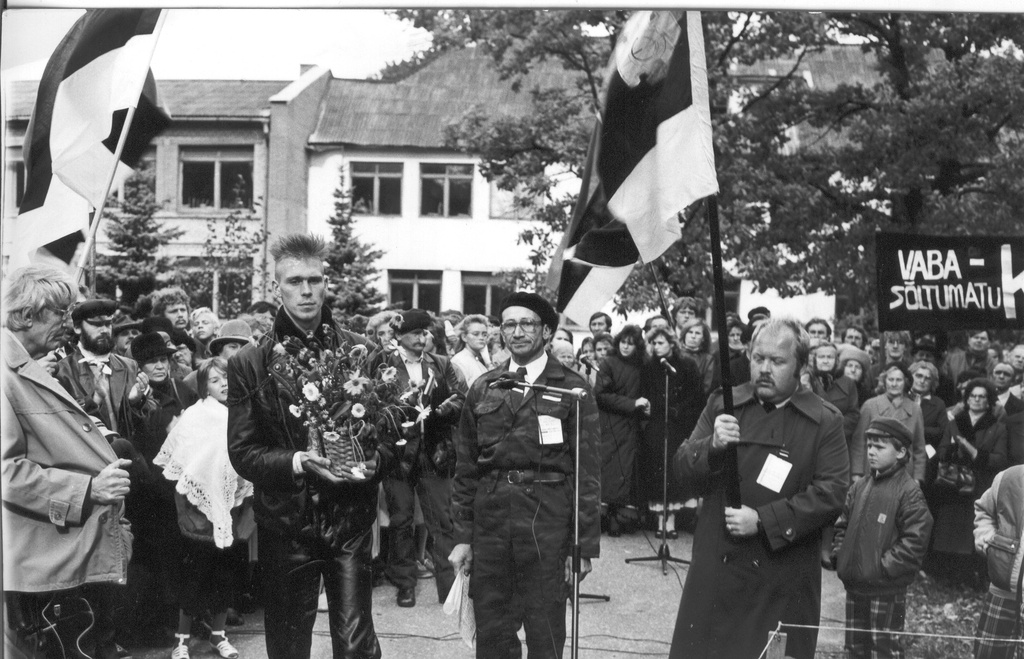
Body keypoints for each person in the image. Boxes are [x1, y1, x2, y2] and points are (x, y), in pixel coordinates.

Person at [227, 234, 392, 658]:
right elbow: (243, 452)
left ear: (325, 282)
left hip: (350, 517)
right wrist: (300, 461)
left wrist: (377, 460)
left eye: (314, 280)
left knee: (357, 646)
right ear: (276, 287)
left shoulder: (362, 351)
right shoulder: (249, 362)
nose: (306, 290)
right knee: (287, 646)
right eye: (295, 281)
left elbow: (392, 435)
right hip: (286, 523)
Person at [669, 318, 849, 659]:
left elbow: (832, 493)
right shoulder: (723, 405)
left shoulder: (824, 420)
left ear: (801, 366)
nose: (765, 369)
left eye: (778, 361)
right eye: (758, 358)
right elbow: (681, 471)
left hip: (780, 580)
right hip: (717, 572)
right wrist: (711, 446)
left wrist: (765, 520)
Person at [449, 292, 600, 659]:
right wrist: (463, 537)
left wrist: (581, 546)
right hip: (492, 524)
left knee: (545, 631)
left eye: (527, 323)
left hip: (547, 524)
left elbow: (588, 473)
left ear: (547, 331)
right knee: (494, 634)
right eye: (509, 324)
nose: (516, 332)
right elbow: (466, 467)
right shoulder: (485, 386)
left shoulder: (572, 388)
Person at [2, 266, 134, 659]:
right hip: (37, 564)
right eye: (60, 312)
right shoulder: (8, 373)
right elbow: (6, 471)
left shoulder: (25, 366)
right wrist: (90, 489)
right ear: (26, 316)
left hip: (53, 558)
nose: (69, 324)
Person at [155, 358, 253, 659]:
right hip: (196, 511)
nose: (223, 384)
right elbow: (180, 463)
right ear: (203, 386)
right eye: (214, 380)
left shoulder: (239, 413)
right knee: (194, 577)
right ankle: (181, 641)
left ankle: (218, 636)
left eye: (226, 378)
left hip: (231, 506)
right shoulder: (195, 416)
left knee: (224, 576)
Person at [379, 309, 466, 608]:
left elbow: (460, 397)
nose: (423, 337)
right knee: (401, 520)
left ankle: (449, 588)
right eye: (416, 332)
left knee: (441, 521)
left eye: (425, 332)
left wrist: (441, 410)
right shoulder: (384, 364)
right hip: (399, 454)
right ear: (400, 335)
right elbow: (374, 404)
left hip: (434, 452)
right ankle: (404, 584)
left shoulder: (441, 364)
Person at [829, 418, 933, 659]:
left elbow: (915, 539)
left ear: (901, 452)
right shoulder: (860, 486)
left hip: (886, 589)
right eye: (869, 446)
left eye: (880, 447)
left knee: (884, 650)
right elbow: (842, 524)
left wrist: (884, 568)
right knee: (855, 648)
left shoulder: (909, 492)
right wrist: (840, 554)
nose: (871, 452)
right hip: (856, 585)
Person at [930, 378, 1008, 588]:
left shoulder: (997, 427)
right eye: (973, 395)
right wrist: (954, 450)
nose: (977, 400)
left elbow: (999, 459)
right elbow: (942, 450)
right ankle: (945, 574)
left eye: (982, 396)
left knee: (969, 530)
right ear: (966, 398)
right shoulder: (955, 422)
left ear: (989, 401)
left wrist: (972, 451)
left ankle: (967, 575)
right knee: (948, 527)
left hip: (979, 484)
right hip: (952, 484)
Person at [55, 298, 155, 440]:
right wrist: (95, 401)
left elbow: (151, 422)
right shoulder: (62, 371)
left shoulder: (130, 366)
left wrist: (136, 402)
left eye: (108, 324)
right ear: (77, 328)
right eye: (96, 325)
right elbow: (63, 427)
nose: (103, 330)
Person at [638, 326, 703, 538]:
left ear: (671, 343)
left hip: (679, 424)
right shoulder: (649, 367)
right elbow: (646, 392)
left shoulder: (686, 365)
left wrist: (679, 410)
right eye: (653, 343)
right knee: (658, 467)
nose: (656, 347)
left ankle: (672, 519)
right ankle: (659, 518)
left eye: (660, 343)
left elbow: (696, 395)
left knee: (674, 469)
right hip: (657, 422)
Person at [594, 325, 648, 536]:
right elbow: (600, 395)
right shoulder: (608, 363)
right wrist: (631, 403)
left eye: (631, 343)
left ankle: (619, 515)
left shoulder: (642, 365)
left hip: (632, 425)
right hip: (611, 423)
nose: (626, 346)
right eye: (623, 342)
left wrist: (643, 406)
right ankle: (606, 515)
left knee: (626, 469)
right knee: (609, 467)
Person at [972, 464, 1024, 659]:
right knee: (988, 653)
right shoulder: (1009, 478)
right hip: (1002, 591)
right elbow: (985, 510)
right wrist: (988, 541)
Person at [850, 363, 927, 483]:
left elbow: (919, 447)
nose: (894, 384)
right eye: (890, 379)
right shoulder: (870, 406)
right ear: (884, 381)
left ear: (905, 382)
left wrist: (917, 478)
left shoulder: (915, 409)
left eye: (898, 380)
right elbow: (859, 442)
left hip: (904, 474)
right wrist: (856, 473)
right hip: (873, 471)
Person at [677, 317, 720, 398]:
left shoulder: (708, 359)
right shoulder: (675, 354)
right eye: (690, 332)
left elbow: (706, 387)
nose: (693, 336)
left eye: (697, 333)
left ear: (703, 338)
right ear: (684, 335)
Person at [450, 313, 492, 388]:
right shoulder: (459, 361)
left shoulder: (479, 360)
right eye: (476, 334)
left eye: (484, 334)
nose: (481, 338)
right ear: (464, 337)